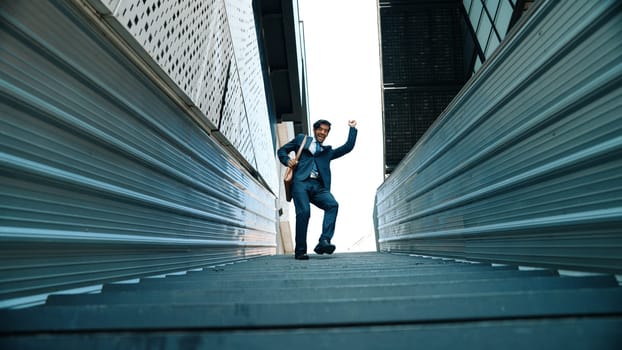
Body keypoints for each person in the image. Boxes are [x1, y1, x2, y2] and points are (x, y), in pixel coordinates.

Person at [278, 119, 358, 260]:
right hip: (300, 182)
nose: (323, 132)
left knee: (332, 204)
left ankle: (324, 241)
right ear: (315, 130)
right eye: (320, 129)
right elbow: (282, 150)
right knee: (304, 213)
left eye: (326, 131)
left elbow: (347, 147)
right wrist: (287, 160)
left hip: (318, 187)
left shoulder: (327, 152)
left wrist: (352, 128)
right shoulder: (302, 140)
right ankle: (301, 251)